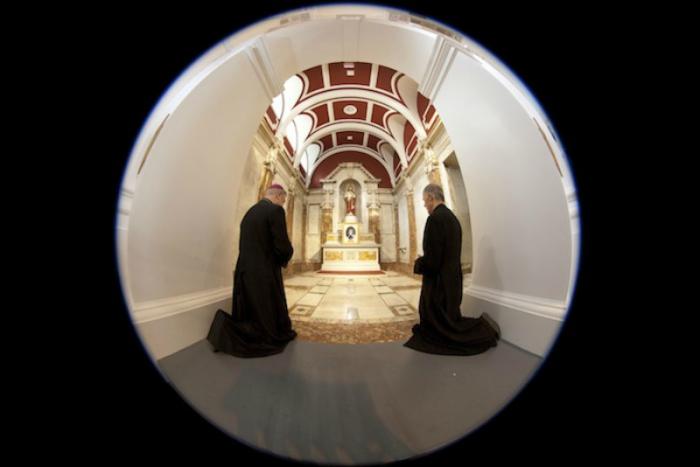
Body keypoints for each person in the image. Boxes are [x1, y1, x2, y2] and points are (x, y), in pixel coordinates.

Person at [404, 184, 500, 355]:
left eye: (425, 201)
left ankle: (482, 330)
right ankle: (482, 330)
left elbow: (433, 261)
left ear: (431, 198)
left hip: (439, 284)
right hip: (453, 281)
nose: (425, 205)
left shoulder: (434, 219)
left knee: (444, 329)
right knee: (450, 319)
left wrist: (418, 263)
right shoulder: (452, 218)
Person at [207, 184, 297, 357]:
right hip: (264, 271)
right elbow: (282, 245)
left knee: (251, 310)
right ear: (278, 196)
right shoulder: (275, 211)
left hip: (244, 270)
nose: (283, 204)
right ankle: (236, 332)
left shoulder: (249, 213)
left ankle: (234, 332)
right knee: (265, 309)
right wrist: (286, 256)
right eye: (284, 200)